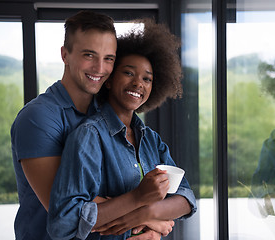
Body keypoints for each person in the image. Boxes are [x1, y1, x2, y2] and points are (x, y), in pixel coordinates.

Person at [47, 18, 197, 240]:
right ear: (108, 79)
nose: (138, 83)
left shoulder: (151, 140)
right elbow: (62, 222)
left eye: (147, 79)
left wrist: (145, 213)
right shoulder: (89, 136)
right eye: (128, 73)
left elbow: (186, 198)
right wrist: (137, 198)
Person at [11, 10, 119, 240]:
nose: (100, 68)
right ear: (65, 54)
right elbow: (68, 209)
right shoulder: (37, 118)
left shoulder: (107, 112)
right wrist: (148, 213)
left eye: (108, 58)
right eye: (89, 55)